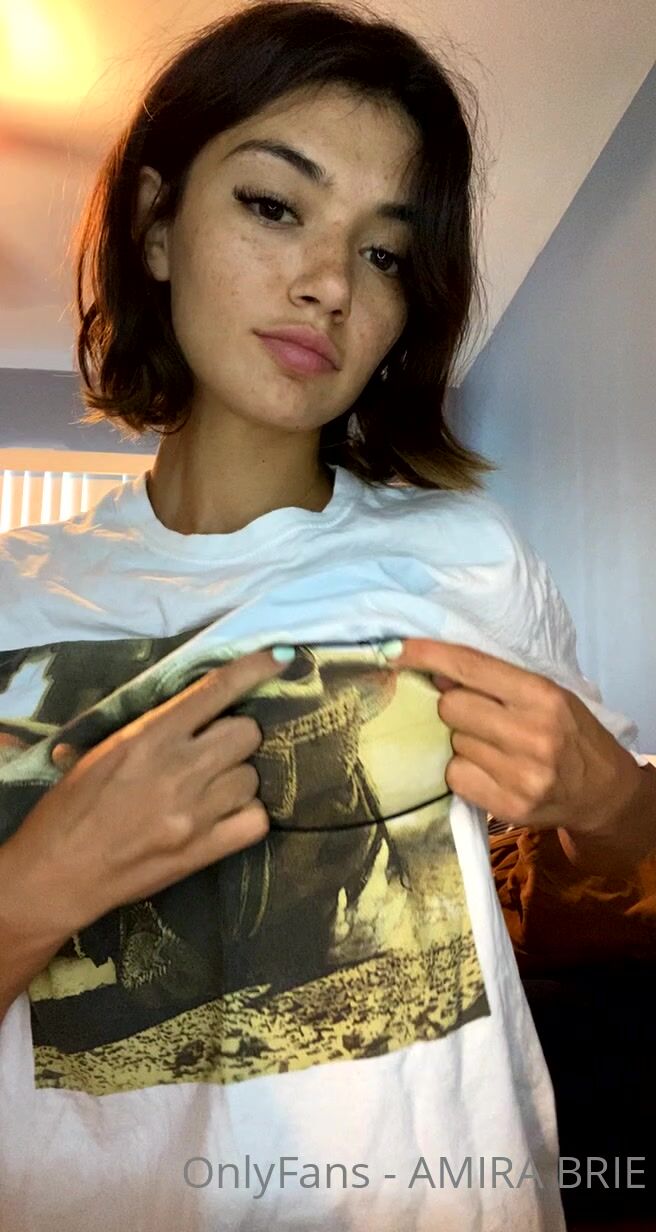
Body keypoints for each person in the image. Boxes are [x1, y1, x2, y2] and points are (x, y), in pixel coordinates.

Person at [0, 2, 654, 1229]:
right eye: (272, 205)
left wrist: (610, 797)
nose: (326, 284)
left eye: (385, 253)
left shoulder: (467, 554)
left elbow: (624, 857)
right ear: (155, 223)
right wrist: (38, 884)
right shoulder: (12, 593)